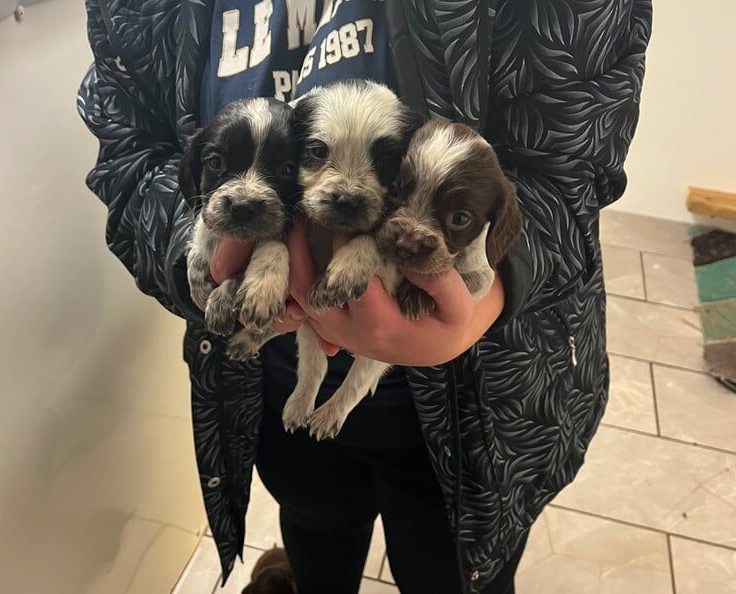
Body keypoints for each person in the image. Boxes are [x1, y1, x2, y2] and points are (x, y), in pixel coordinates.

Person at [78, 1, 652, 593]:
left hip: (485, 401)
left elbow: (573, 164)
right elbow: (129, 147)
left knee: (451, 570)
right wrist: (196, 254)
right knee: (313, 534)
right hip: (270, 380)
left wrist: (490, 292)